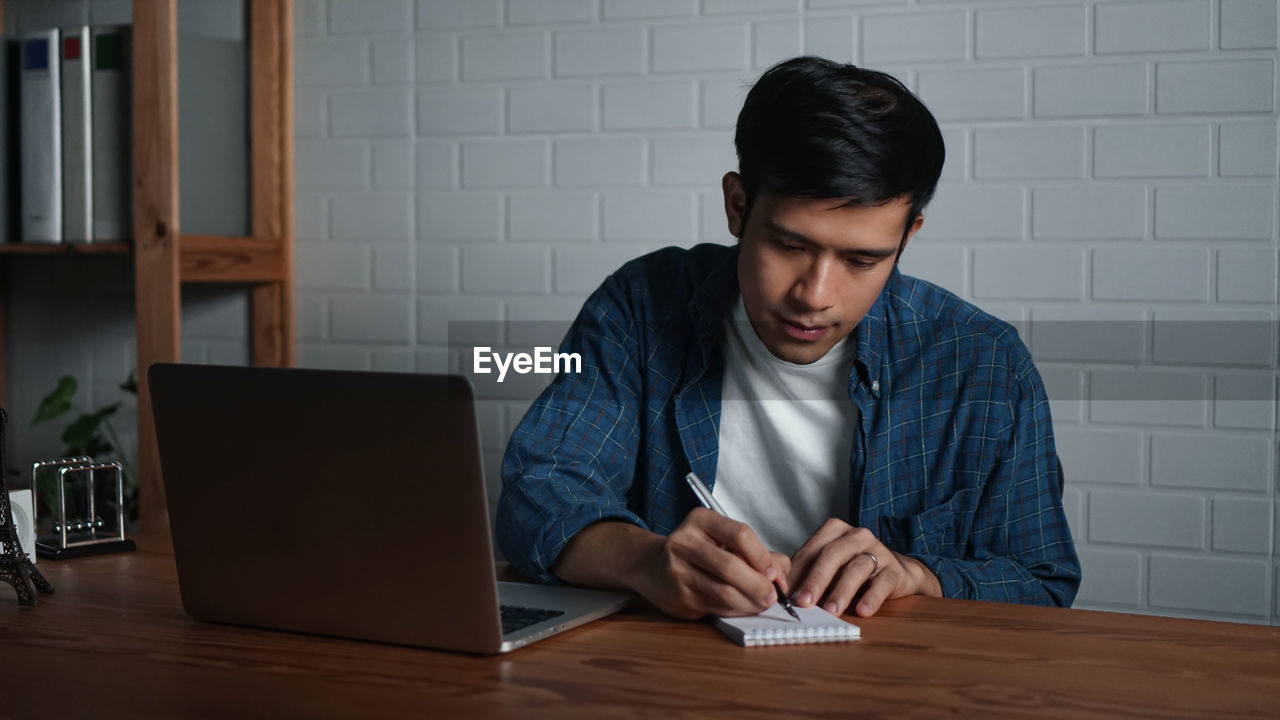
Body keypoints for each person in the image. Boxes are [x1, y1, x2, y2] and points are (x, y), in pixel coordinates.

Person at [496, 56, 1081, 621]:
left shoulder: (981, 361)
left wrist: (916, 575)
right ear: (737, 206)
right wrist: (646, 559)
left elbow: (1041, 581)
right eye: (790, 246)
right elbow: (539, 491)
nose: (815, 295)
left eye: (861, 259)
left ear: (907, 237)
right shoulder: (640, 306)